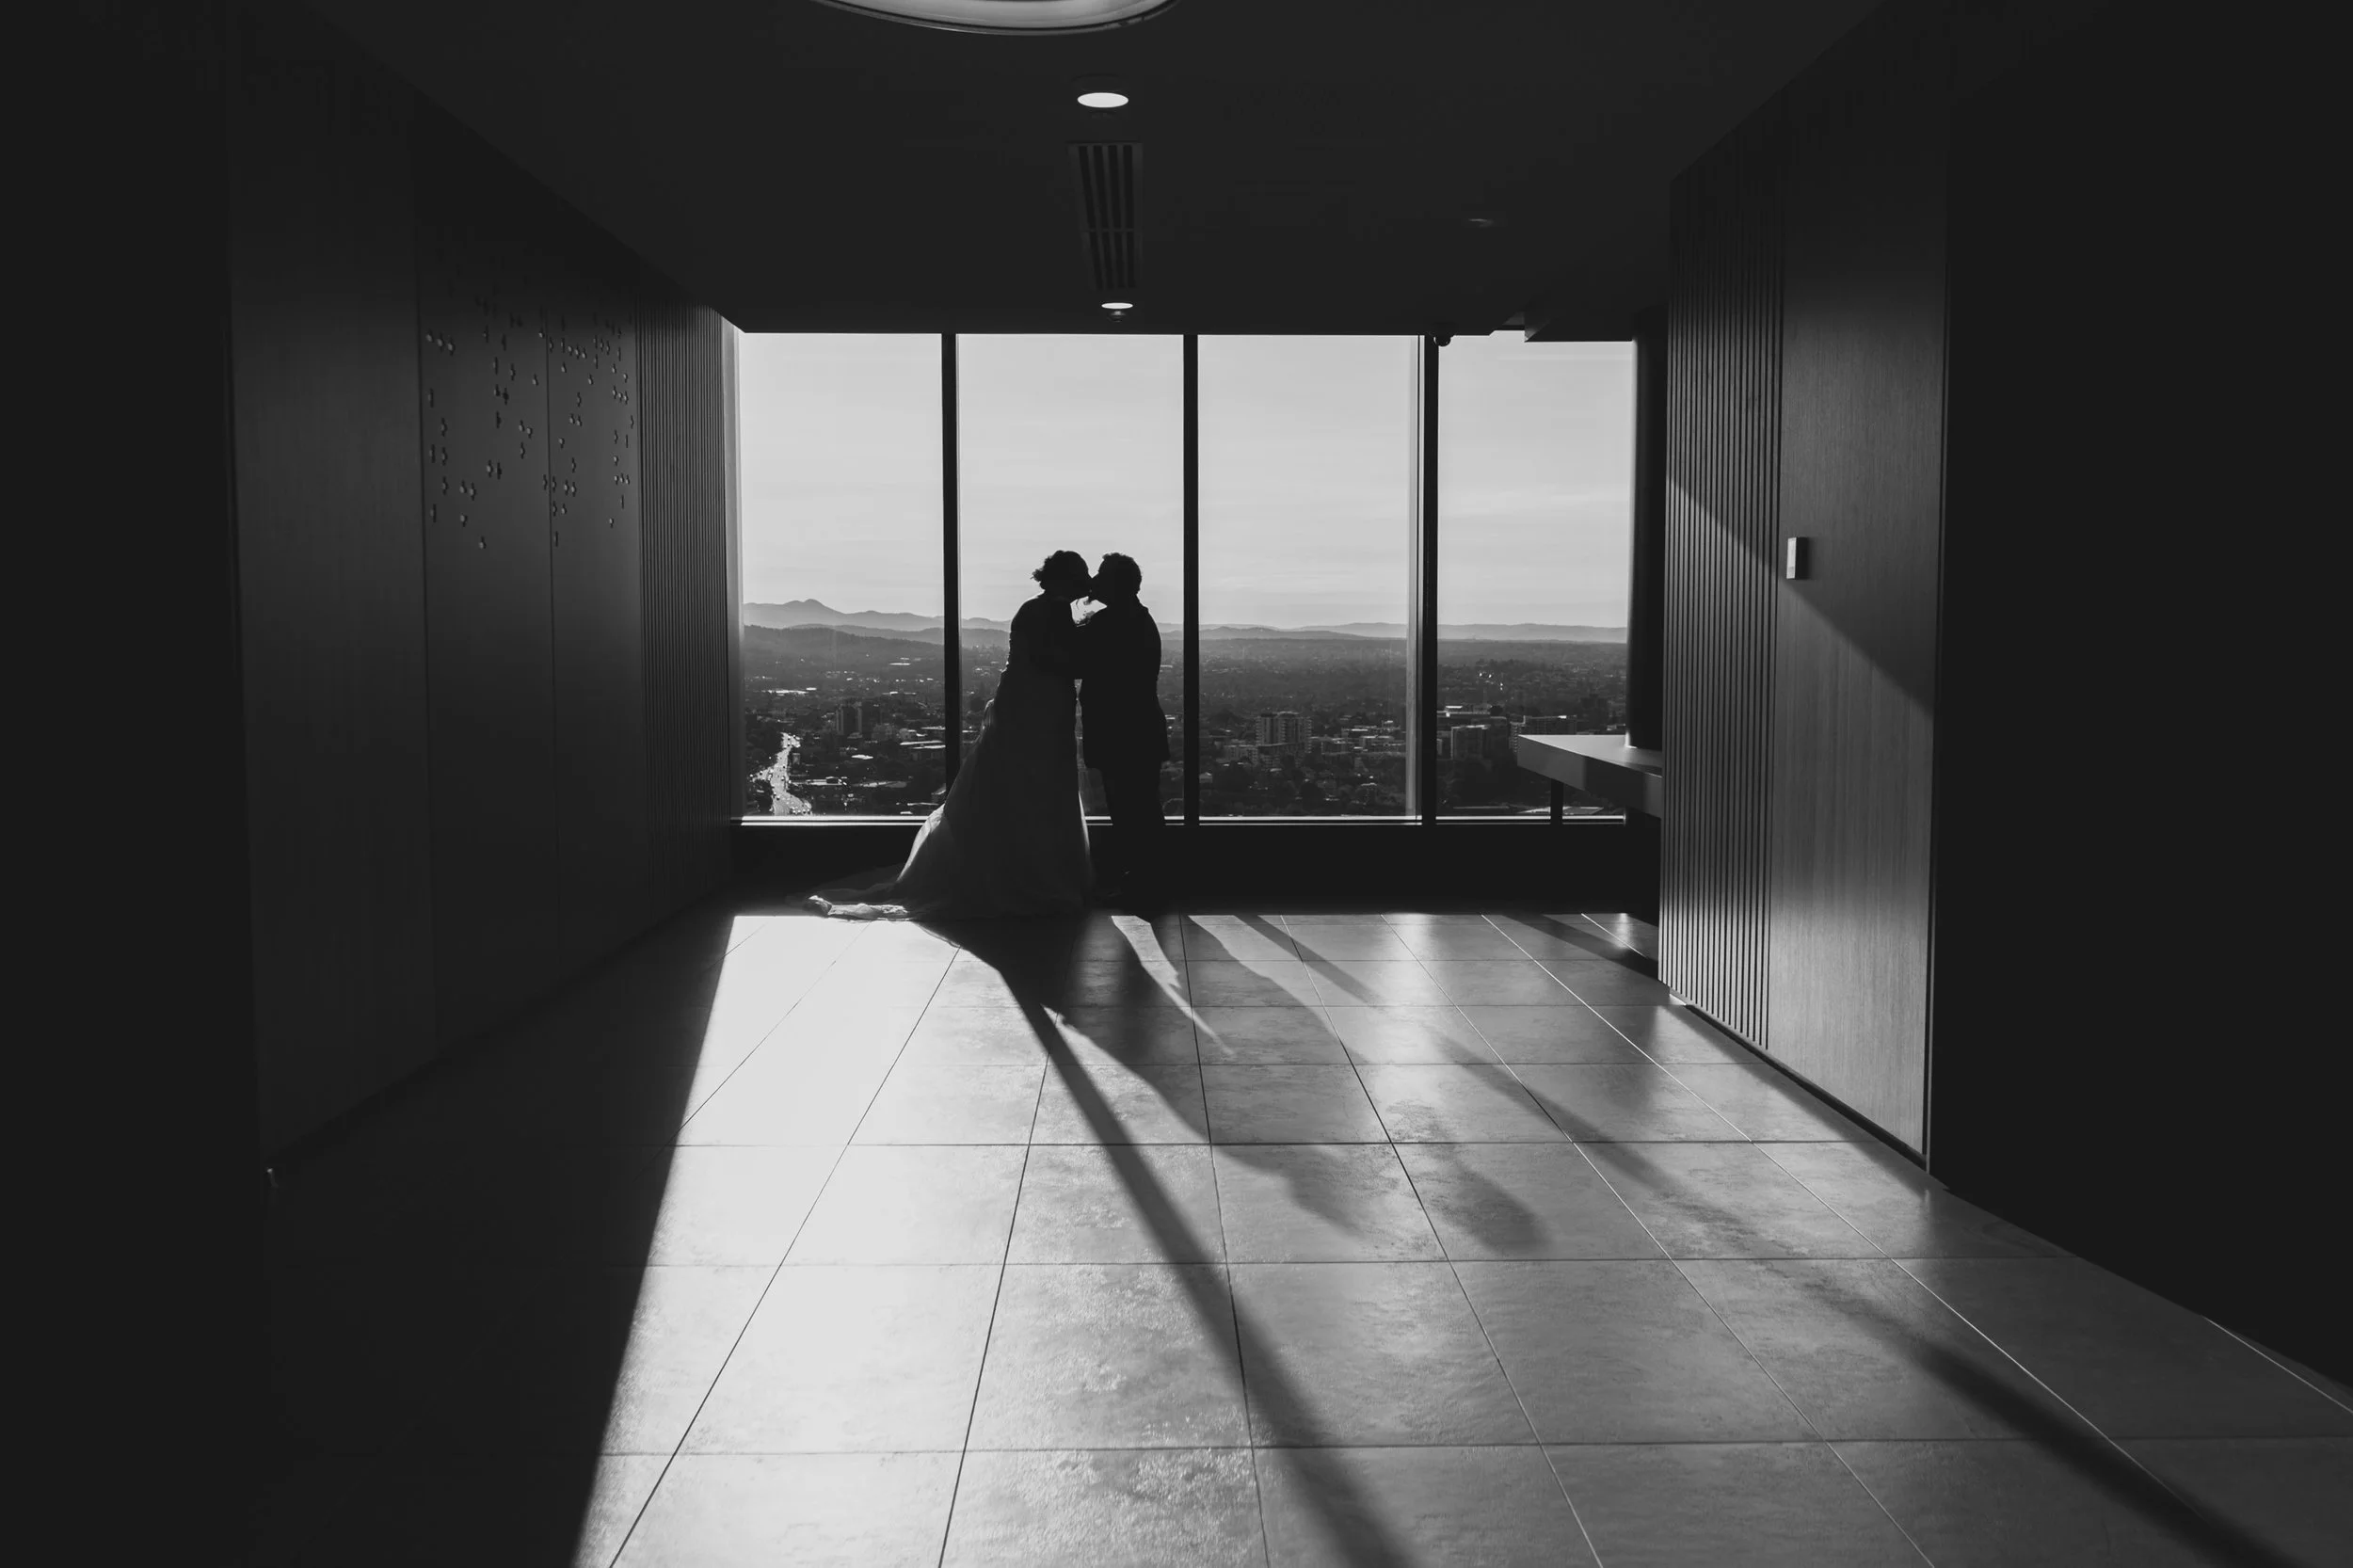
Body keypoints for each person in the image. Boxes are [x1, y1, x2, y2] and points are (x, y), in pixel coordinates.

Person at [809, 552, 1094, 919]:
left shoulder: (1035, 609)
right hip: (1039, 707)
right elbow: (1057, 661)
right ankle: (1039, 876)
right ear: (1067, 579)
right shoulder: (1053, 611)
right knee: (1040, 785)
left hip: (1025, 704)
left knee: (1013, 785)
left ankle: (1016, 873)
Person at [1077, 552, 1172, 903]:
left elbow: (1077, 659)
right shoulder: (1137, 620)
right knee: (1142, 806)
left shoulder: (1110, 623)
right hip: (1139, 729)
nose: (1096, 581)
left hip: (1120, 731)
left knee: (1128, 808)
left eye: (1102, 575)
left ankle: (1144, 880)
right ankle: (1149, 879)